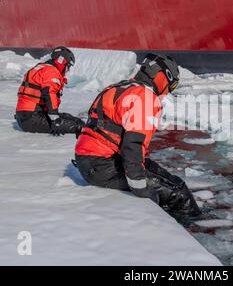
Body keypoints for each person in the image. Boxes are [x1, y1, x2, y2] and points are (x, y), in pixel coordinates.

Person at [74, 53, 200, 216]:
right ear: (164, 77)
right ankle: (189, 230)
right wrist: (140, 187)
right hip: (102, 166)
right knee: (179, 195)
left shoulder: (121, 87)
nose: (168, 91)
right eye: (171, 86)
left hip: (95, 160)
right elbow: (132, 145)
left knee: (175, 183)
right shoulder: (145, 97)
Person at [15, 47, 84, 136]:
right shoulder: (51, 72)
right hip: (31, 118)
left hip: (27, 116)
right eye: (68, 66)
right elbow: (49, 93)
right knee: (77, 126)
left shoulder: (42, 68)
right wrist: (55, 118)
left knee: (73, 119)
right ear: (62, 62)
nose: (68, 70)